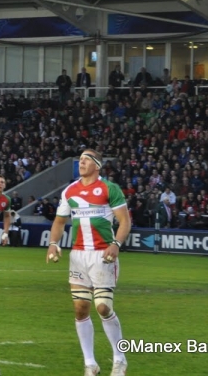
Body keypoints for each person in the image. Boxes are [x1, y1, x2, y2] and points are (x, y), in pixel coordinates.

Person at [46, 149, 132, 376]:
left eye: (86, 159)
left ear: (97, 165)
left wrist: (116, 244)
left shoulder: (109, 188)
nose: (81, 162)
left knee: (103, 307)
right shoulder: (70, 191)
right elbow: (59, 221)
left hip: (102, 254)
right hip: (78, 255)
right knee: (80, 308)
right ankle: (90, 364)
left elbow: (125, 221)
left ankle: (119, 359)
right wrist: (53, 243)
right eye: (80, 159)